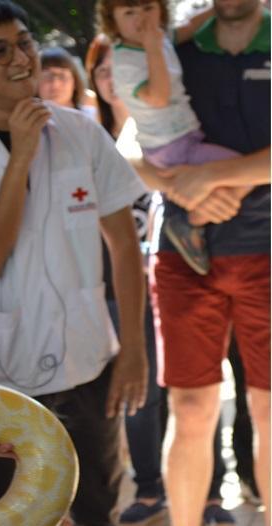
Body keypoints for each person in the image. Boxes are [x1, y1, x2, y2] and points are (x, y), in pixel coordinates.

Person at [0, 1, 148, 524]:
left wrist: (132, 348)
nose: (21, 58)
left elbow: (124, 245)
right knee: (8, 514)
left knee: (98, 506)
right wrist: (20, 154)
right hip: (2, 376)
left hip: (90, 359)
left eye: (24, 42)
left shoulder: (80, 132)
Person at [85, 33, 241, 526]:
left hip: (192, 271)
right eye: (107, 69)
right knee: (142, 392)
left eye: (124, 66)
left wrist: (187, 190)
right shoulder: (84, 134)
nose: (117, 78)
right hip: (118, 287)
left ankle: (212, 494)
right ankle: (151, 490)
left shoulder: (180, 125)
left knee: (196, 393)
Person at [130, 0, 271, 524]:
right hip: (185, 256)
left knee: (268, 412)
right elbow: (126, 152)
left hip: (267, 252)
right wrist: (181, 186)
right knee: (189, 410)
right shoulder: (173, 47)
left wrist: (215, 177)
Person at [97, 0, 252, 277]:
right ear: (113, 22)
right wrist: (153, 47)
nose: (141, 19)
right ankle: (191, 220)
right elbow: (159, 96)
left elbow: (191, 25)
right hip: (169, 148)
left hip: (185, 136)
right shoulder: (126, 60)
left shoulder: (160, 37)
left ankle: (198, 212)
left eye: (147, 9)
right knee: (244, 170)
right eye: (129, 12)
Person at [38, 45, 95, 116]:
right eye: (47, 76)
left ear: (75, 82)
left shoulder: (93, 118)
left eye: (62, 76)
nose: (55, 83)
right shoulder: (25, 124)